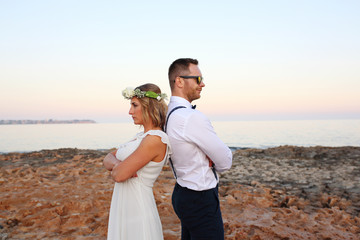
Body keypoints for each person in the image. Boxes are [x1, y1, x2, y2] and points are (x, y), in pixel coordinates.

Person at [165, 58, 233, 240]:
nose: (203, 84)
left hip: (182, 192)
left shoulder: (168, 113)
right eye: (198, 79)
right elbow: (226, 161)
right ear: (179, 81)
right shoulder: (190, 117)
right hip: (200, 198)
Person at [103, 83, 170, 240]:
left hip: (138, 208)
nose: (130, 111)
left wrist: (118, 168)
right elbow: (107, 158)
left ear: (149, 107)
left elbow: (118, 176)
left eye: (134, 105)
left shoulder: (155, 139)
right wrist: (118, 165)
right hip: (124, 204)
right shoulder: (140, 137)